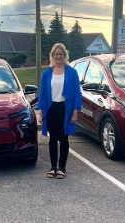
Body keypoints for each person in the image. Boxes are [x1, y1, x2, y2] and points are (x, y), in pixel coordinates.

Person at [37, 43, 81, 179]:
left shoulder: (72, 72)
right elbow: (42, 93)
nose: (58, 56)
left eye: (61, 54)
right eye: (56, 54)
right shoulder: (46, 73)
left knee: (64, 138)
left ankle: (62, 168)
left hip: (65, 108)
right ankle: (53, 167)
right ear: (52, 56)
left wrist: (75, 112)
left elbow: (76, 93)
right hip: (51, 109)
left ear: (64, 55)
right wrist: (40, 112)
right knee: (52, 139)